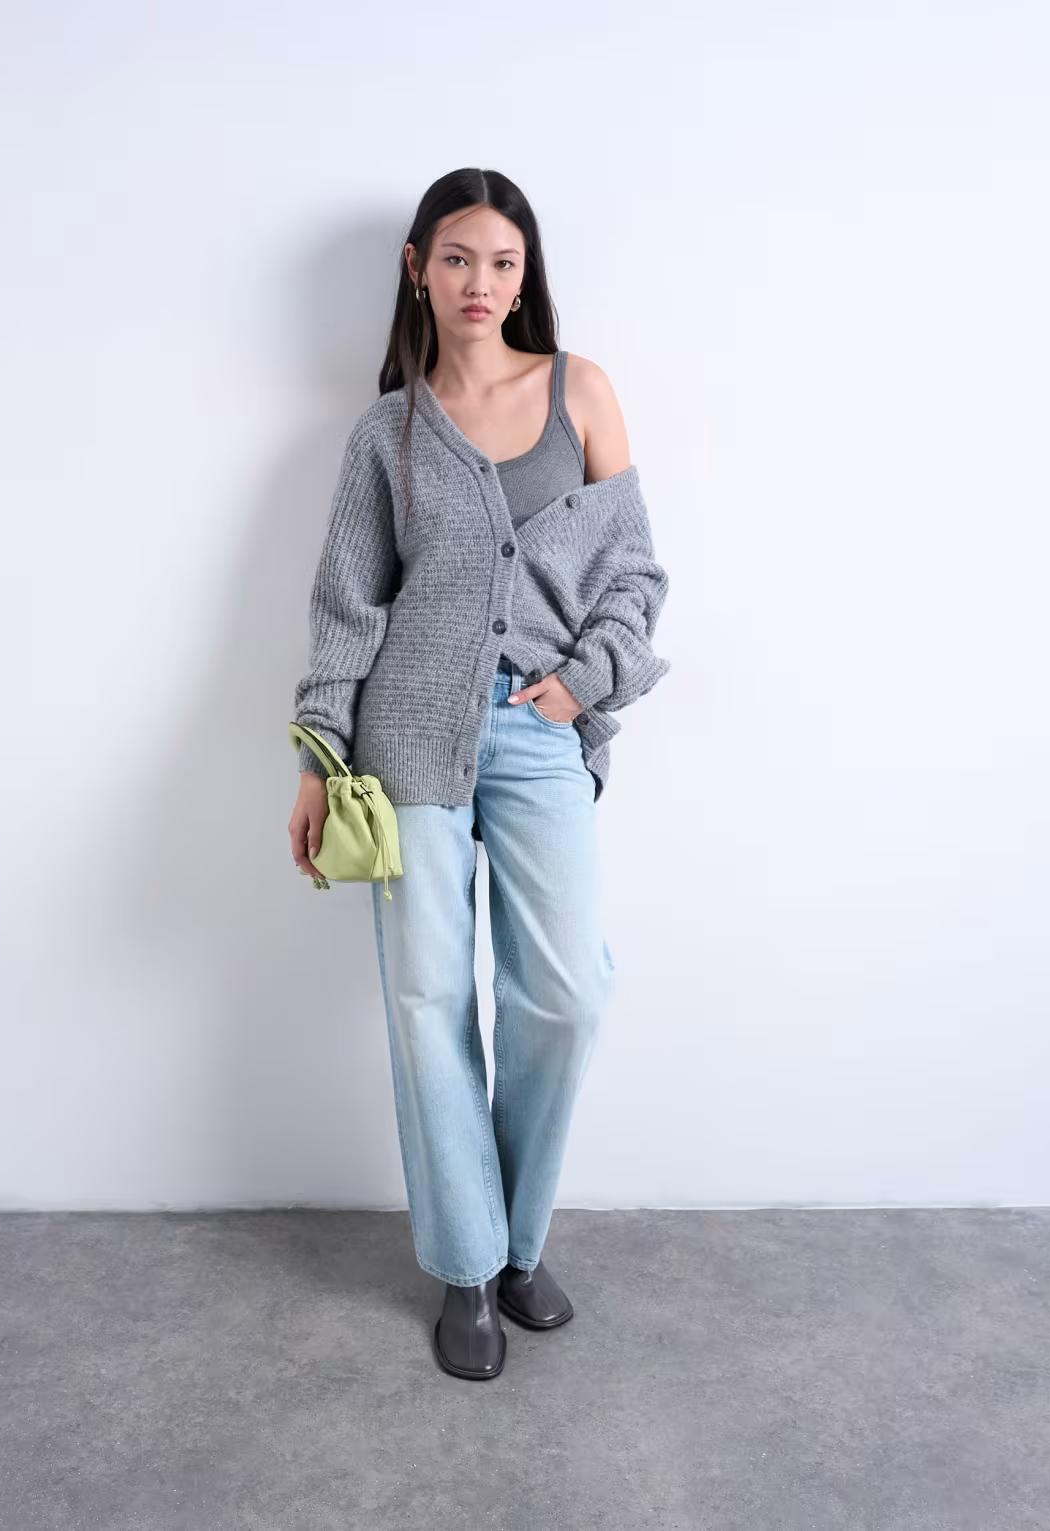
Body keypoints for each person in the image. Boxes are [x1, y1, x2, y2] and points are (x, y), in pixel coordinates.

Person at [287, 167, 671, 1380]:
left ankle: (516, 1241)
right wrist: (318, 756)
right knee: (427, 996)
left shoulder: (579, 392)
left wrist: (581, 684)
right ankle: (468, 1266)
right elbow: (349, 605)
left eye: (503, 262)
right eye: (457, 258)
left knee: (566, 992)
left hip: (543, 729)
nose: (481, 283)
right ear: (418, 268)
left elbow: (635, 575)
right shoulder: (388, 433)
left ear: (525, 275)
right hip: (406, 736)